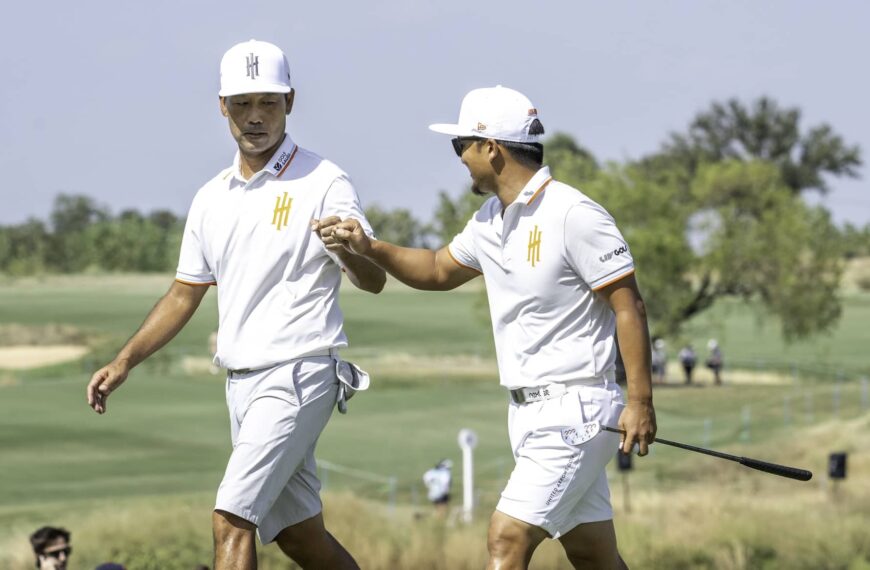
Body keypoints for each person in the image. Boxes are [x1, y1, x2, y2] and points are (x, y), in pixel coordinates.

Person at [317, 86, 657, 570]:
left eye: (462, 146)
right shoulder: (490, 220)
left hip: (578, 410)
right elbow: (436, 269)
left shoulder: (572, 214)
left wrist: (640, 402)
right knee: (592, 554)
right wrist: (367, 247)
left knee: (506, 538)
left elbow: (629, 307)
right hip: (529, 414)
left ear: (491, 148)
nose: (459, 159)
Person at [86, 39, 385, 570]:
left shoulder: (325, 180)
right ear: (221, 106)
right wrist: (124, 359)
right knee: (299, 536)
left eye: (268, 103)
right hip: (241, 385)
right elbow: (184, 293)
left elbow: (372, 279)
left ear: (290, 102)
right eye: (242, 104)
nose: (255, 117)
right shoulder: (211, 196)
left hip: (299, 373)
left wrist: (352, 248)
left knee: (231, 520)